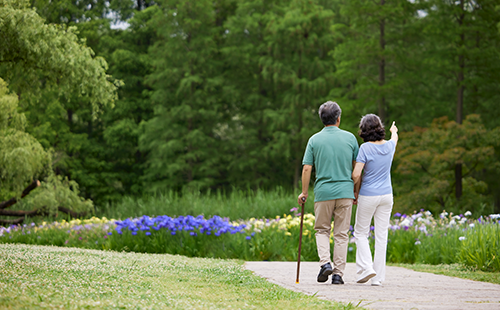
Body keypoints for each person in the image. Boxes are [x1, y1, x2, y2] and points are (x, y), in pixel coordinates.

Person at [297, 101, 359, 285]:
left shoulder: (314, 140)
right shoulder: (350, 138)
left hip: (324, 192)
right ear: (338, 118)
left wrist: (304, 192)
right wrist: (355, 191)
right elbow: (357, 169)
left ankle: (325, 263)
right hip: (345, 191)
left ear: (322, 119)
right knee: (341, 233)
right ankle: (338, 275)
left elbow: (307, 168)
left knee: (322, 230)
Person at [352, 114, 398, 286]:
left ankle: (367, 267)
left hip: (368, 195)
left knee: (361, 233)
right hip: (387, 196)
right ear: (380, 128)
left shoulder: (365, 148)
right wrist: (394, 131)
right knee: (381, 236)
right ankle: (377, 278)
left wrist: (351, 182)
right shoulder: (390, 146)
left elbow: (357, 174)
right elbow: (395, 138)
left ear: (364, 130)